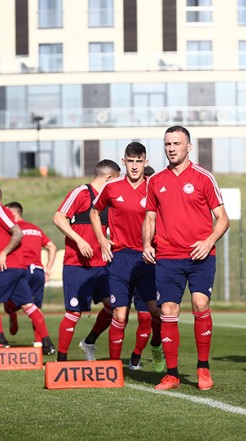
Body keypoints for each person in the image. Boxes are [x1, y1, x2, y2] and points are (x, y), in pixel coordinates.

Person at [143, 126, 229, 391]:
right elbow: (150, 217)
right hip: (167, 256)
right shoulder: (155, 181)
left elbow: (223, 219)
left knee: (200, 303)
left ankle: (203, 369)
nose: (171, 148)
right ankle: (171, 374)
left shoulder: (203, 177)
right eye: (167, 143)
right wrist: (147, 242)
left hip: (199, 255)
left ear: (188, 147)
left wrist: (208, 241)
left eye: (176, 143)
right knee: (168, 310)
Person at [90, 142, 165, 372]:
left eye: (138, 161)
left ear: (146, 162)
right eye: (130, 161)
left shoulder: (154, 187)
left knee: (156, 314)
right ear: (124, 162)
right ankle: (114, 368)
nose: (134, 166)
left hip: (147, 259)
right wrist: (102, 239)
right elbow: (94, 212)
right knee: (120, 314)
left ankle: (152, 346)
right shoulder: (112, 187)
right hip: (120, 258)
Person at [52, 160, 121, 361]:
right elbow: (58, 217)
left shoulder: (110, 199)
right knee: (74, 312)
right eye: (116, 180)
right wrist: (80, 240)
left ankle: (89, 341)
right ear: (108, 178)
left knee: (115, 309)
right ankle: (61, 361)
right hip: (78, 265)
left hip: (103, 266)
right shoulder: (81, 192)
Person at [0, 184, 52, 350]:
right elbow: (6, 241)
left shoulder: (1, 211)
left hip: (8, 268)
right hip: (16, 267)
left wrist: (2, 254)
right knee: (28, 305)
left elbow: (18, 232)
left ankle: (0, 340)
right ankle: (46, 342)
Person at [7, 201, 58, 354]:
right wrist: (47, 269)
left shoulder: (12, 230)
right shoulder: (36, 229)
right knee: (36, 308)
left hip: (21, 270)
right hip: (38, 271)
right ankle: (39, 343)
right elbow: (52, 247)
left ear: (14, 214)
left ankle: (12, 313)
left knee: (12, 302)